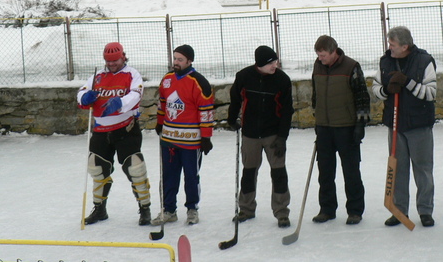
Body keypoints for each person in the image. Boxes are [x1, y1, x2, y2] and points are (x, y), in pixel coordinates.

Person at [77, 42, 152, 226]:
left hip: (125, 129)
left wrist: (120, 103)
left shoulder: (132, 74)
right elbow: (82, 92)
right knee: (97, 168)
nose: (111, 64)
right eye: (108, 61)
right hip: (101, 130)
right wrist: (85, 98)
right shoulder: (98, 76)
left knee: (135, 168)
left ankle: (145, 208)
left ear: (123, 57)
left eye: (115, 60)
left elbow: (136, 94)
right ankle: (99, 209)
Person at [372, 26, 437, 227]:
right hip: (395, 125)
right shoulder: (385, 61)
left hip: (419, 125)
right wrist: (386, 89)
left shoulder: (424, 61)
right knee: (398, 169)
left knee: (423, 170)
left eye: (393, 44)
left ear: (405, 46)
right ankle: (399, 211)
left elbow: (431, 93)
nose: (389, 47)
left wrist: (408, 82)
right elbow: (375, 90)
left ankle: (425, 211)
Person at [227, 45, 293, 228]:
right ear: (259, 64)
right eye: (270, 63)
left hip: (273, 134)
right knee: (249, 172)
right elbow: (235, 100)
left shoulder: (282, 80)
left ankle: (281, 212)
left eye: (275, 61)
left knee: (279, 173)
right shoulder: (244, 76)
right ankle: (246, 209)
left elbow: (287, 111)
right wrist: (231, 120)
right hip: (250, 134)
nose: (274, 66)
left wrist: (282, 137)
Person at [151, 45, 215, 226]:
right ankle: (168, 209)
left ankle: (192, 209)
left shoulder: (198, 82)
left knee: (191, 176)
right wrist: (160, 122)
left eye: (180, 59)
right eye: (175, 58)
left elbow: (206, 111)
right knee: (168, 176)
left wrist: (206, 137)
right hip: (169, 138)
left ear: (189, 61)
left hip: (190, 140)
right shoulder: (167, 79)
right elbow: (163, 103)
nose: (176, 62)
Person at [310, 35, 370, 225]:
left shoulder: (351, 67)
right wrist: (317, 120)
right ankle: (327, 209)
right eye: (318, 55)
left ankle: (355, 210)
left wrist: (360, 124)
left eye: (323, 55)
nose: (320, 58)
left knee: (351, 172)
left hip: (346, 128)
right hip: (324, 128)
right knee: (325, 173)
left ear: (334, 51)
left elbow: (362, 96)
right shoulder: (317, 66)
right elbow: (315, 95)